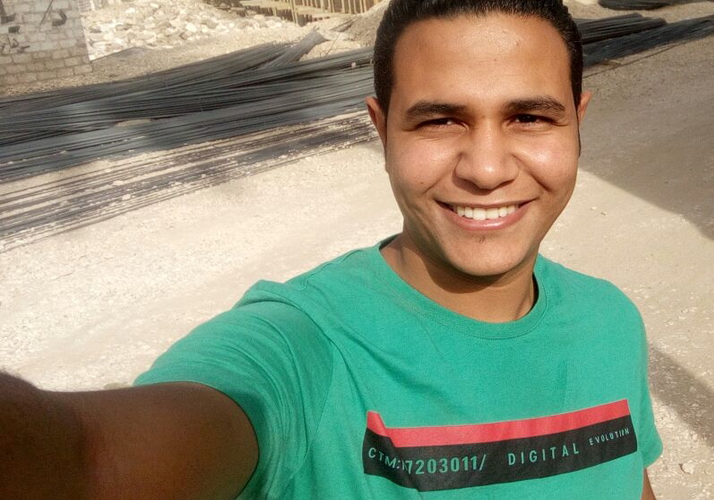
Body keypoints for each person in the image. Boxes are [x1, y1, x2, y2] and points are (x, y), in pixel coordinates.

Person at [0, 0, 662, 498]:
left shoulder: (609, 322)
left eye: (529, 117)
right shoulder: (301, 349)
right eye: (440, 120)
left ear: (578, 123)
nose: (487, 169)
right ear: (382, 132)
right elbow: (90, 460)